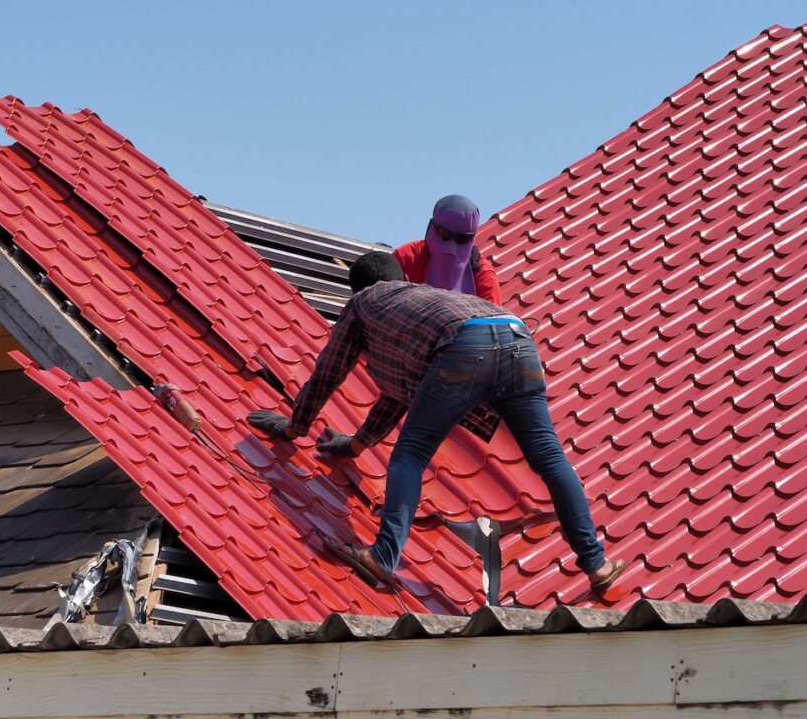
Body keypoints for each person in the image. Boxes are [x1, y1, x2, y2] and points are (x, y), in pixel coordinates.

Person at [247, 251, 624, 591]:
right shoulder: (422, 301)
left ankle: (381, 559)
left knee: (410, 454)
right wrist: (355, 445)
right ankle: (596, 564)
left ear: (356, 290)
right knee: (549, 458)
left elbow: (329, 370)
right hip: (519, 337)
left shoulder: (364, 301)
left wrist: (295, 427)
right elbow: (400, 394)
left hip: (469, 346)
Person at [393, 194, 502, 303]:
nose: (451, 249)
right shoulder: (407, 258)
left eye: (462, 239)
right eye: (443, 235)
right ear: (431, 229)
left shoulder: (483, 278)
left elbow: (494, 319)